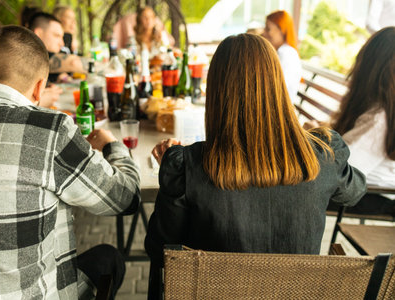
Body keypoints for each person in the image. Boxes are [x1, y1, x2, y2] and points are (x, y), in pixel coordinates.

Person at [144, 34, 366, 299]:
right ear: (278, 84)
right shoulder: (322, 156)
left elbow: (160, 250)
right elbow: (354, 191)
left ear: (216, 92)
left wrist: (171, 175)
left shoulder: (188, 167)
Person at [0, 25, 141, 299]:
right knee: (109, 258)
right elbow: (126, 197)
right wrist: (112, 145)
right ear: (39, 88)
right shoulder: (50, 130)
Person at [329, 26, 395, 216]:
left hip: (372, 198)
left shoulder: (380, 118)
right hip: (372, 194)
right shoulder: (383, 110)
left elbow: (338, 170)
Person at [28, 12, 85, 83]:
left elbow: (60, 76)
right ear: (39, 33)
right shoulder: (29, 56)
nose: (62, 43)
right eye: (56, 36)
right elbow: (73, 63)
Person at [262, 10, 301, 104]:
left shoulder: (286, 53)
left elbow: (276, 89)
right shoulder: (281, 51)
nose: (263, 33)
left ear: (281, 30)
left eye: (268, 29)